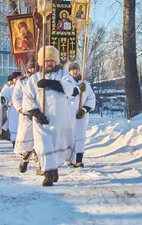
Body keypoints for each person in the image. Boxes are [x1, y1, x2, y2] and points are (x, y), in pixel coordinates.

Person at [22, 45, 76, 186]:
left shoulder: (63, 75)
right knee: (43, 146)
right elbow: (28, 98)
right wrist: (36, 113)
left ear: (56, 61)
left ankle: (54, 169)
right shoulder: (34, 79)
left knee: (56, 146)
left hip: (59, 120)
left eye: (52, 60)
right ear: (41, 62)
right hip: (42, 120)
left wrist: (51, 83)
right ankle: (48, 174)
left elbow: (71, 89)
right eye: (46, 60)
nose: (49, 63)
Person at [13, 58, 42, 175]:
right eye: (30, 67)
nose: (32, 69)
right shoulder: (22, 82)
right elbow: (16, 97)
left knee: (40, 142)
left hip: (39, 115)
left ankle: (39, 165)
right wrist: (21, 109)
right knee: (26, 143)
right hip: (26, 116)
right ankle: (24, 160)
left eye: (34, 67)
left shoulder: (42, 79)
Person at [67, 62, 96, 168]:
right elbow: (65, 95)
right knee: (69, 137)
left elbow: (91, 98)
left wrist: (84, 110)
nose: (75, 71)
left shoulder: (86, 83)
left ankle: (78, 160)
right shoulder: (66, 82)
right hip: (69, 114)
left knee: (80, 137)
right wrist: (77, 90)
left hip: (81, 116)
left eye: (76, 69)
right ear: (69, 71)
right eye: (72, 69)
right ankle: (70, 158)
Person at [2, 71, 22, 148]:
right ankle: (14, 142)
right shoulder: (9, 89)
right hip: (13, 110)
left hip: (21, 109)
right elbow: (3, 99)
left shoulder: (24, 87)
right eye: (16, 79)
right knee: (13, 126)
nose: (17, 80)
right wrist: (8, 103)